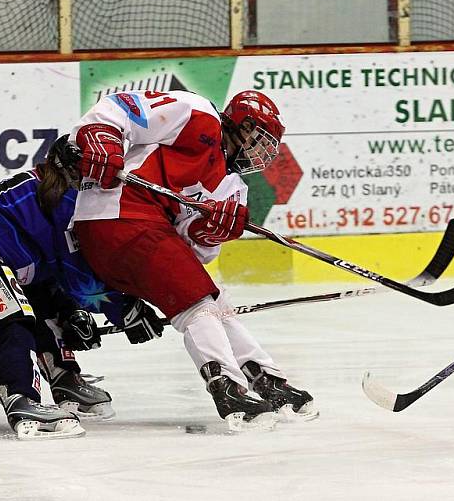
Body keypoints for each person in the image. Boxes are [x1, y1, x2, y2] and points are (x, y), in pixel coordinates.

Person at [67, 88, 317, 430]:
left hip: (143, 234)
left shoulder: (232, 188)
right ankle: (227, 387)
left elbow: (196, 253)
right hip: (115, 216)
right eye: (258, 138)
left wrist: (208, 231)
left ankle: (267, 378)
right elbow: (122, 107)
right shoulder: (197, 113)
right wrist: (101, 137)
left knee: (216, 299)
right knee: (197, 303)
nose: (261, 152)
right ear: (240, 124)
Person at [0, 138, 165, 439]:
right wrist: (125, 310)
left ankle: (65, 378)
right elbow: (79, 277)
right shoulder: (69, 201)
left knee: (46, 302)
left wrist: (74, 312)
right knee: (12, 317)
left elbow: (62, 283)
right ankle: (21, 397)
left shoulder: (46, 186)